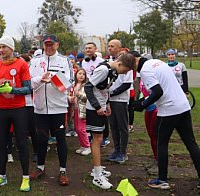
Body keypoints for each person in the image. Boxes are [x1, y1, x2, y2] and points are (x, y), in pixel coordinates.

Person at [130, 53, 200, 190]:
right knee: (191, 143)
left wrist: (142, 105)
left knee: (161, 143)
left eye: (131, 66)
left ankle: (162, 179)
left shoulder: (145, 70)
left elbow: (157, 92)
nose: (132, 70)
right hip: (182, 106)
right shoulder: (157, 62)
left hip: (168, 110)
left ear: (136, 61)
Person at [0, 36, 32, 191]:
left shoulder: (22, 64)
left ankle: (25, 177)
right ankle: (2, 176)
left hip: (19, 109)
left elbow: (28, 88)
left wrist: (13, 90)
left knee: (21, 143)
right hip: (1, 110)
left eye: (4, 47)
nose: (1, 50)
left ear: (11, 48)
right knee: (1, 143)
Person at [85, 53, 136, 189]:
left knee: (99, 138)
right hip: (94, 109)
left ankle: (98, 168)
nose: (124, 73)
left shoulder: (113, 72)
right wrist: (97, 107)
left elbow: (105, 89)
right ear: (119, 64)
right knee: (97, 139)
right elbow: (88, 87)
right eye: (124, 70)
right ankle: (97, 175)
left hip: (102, 107)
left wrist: (106, 103)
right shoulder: (103, 70)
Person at [29, 34, 73, 186]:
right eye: (46, 44)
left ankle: (62, 171)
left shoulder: (64, 60)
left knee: (60, 139)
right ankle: (40, 168)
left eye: (51, 44)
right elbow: (29, 83)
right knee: (41, 139)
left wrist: (53, 79)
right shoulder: (35, 61)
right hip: (40, 108)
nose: (48, 47)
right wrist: (41, 78)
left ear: (57, 45)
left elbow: (69, 83)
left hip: (59, 108)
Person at [106, 40, 133, 164]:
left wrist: (113, 92)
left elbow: (127, 84)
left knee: (122, 126)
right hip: (109, 100)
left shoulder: (126, 61)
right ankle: (116, 150)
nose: (110, 48)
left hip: (120, 100)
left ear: (119, 48)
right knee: (113, 126)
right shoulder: (108, 62)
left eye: (113, 46)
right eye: (109, 46)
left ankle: (123, 152)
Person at [82, 42, 110, 147]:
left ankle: (105, 136)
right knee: (88, 111)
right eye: (86, 48)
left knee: (101, 112)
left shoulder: (102, 62)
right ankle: (90, 134)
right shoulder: (84, 62)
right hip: (88, 88)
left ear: (95, 49)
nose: (88, 50)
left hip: (99, 89)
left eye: (90, 48)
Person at [69, 68, 91, 156]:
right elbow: (70, 95)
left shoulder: (86, 86)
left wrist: (78, 94)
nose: (81, 75)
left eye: (83, 74)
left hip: (83, 110)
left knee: (82, 129)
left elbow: (87, 97)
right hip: (75, 110)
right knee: (77, 129)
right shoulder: (73, 85)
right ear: (76, 75)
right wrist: (70, 98)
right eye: (79, 73)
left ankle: (87, 146)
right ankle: (82, 145)